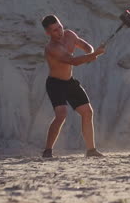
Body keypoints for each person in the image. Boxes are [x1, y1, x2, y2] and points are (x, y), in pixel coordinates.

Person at [41, 14, 106, 157]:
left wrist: (91, 53)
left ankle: (91, 150)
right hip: (55, 84)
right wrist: (95, 55)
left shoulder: (69, 35)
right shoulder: (52, 48)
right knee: (61, 114)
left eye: (59, 27)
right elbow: (73, 61)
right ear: (48, 33)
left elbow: (85, 46)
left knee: (87, 112)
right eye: (54, 30)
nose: (59, 32)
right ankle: (47, 150)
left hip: (69, 82)